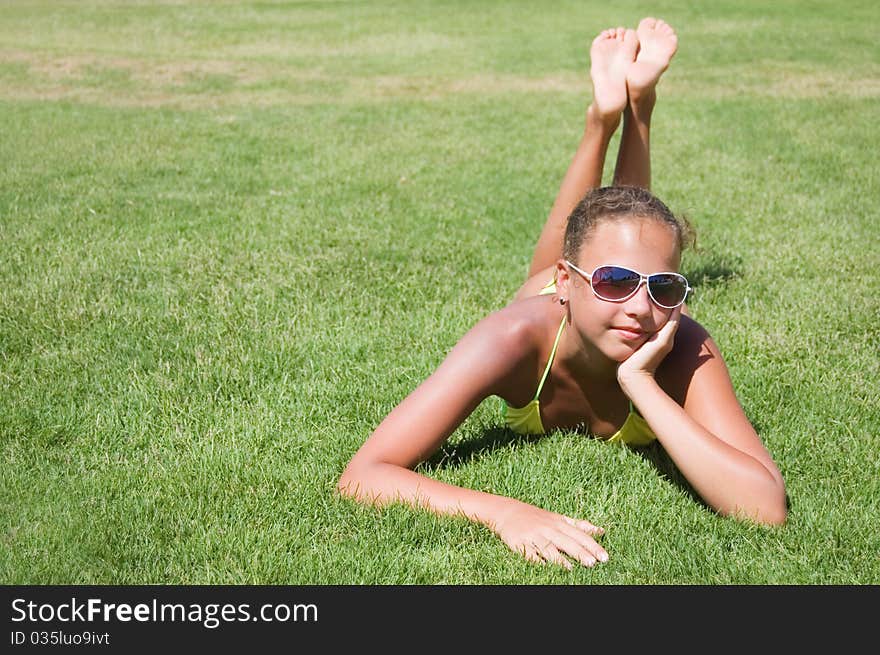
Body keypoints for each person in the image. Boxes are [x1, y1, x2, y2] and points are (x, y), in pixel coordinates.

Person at [336, 18, 787, 570]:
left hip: (588, 309)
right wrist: (503, 512)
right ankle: (602, 119)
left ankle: (638, 104)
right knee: (593, 239)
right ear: (568, 285)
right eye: (614, 283)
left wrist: (642, 384)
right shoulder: (512, 336)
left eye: (665, 288)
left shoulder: (684, 342)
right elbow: (364, 475)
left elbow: (765, 506)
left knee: (629, 233)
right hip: (549, 309)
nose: (643, 309)